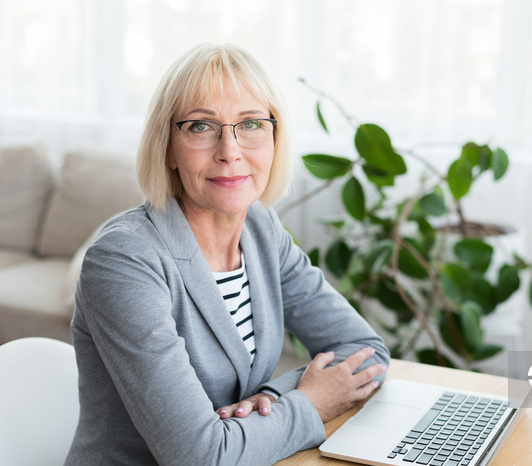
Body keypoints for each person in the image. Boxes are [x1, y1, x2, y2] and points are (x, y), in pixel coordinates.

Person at [65, 43, 390, 465]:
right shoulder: (125, 261)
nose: (230, 150)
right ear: (167, 147)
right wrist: (311, 402)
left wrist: (273, 397)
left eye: (251, 123)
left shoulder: (261, 230)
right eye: (201, 126)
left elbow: (365, 349)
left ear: (275, 137)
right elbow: (200, 458)